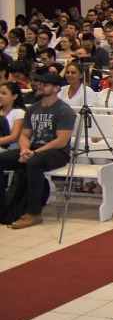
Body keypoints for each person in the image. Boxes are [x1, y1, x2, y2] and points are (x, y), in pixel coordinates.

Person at [0, 71, 75, 228]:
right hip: (33, 149)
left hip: (57, 153)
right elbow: (24, 135)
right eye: (39, 83)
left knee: (34, 163)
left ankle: (34, 213)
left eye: (44, 85)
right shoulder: (33, 108)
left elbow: (61, 141)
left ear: (56, 89)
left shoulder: (64, 110)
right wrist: (24, 150)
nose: (39, 86)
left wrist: (33, 153)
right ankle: (3, 206)